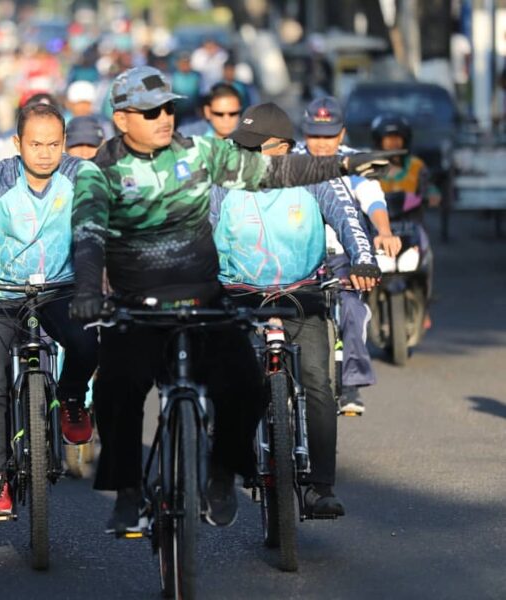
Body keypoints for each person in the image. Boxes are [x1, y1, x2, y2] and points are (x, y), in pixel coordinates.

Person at [68, 66, 394, 532]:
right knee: (118, 385)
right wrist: (88, 290)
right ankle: (129, 491)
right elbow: (89, 236)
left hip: (239, 298)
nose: (164, 118)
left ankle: (233, 478)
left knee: (264, 384)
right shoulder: (99, 171)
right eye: (151, 112)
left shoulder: (201, 153)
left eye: (168, 108)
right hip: (161, 300)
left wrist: (345, 172)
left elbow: (294, 181)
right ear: (121, 119)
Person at [210, 103, 380, 516]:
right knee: (233, 384)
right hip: (239, 294)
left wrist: (364, 261)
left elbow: (349, 219)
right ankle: (228, 469)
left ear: (284, 148)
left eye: (255, 148)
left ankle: (321, 487)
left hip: (302, 293)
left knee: (319, 381)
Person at [0, 103, 99, 518]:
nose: (45, 153)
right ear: (18, 143)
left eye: (53, 144)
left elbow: (98, 229)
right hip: (2, 293)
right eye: (35, 144)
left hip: (60, 290)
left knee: (88, 345)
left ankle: (71, 399)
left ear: (64, 143)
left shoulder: (82, 175)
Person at [299, 96, 402, 415]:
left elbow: (372, 199)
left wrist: (383, 231)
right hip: (298, 256)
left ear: (341, 134)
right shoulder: (290, 161)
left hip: (341, 256)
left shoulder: (353, 162)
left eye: (329, 135)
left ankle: (351, 384)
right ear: (304, 132)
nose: (321, 143)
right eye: (314, 135)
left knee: (352, 311)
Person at [371, 113, 436, 328]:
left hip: (411, 225)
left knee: (427, 260)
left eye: (397, 138)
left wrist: (432, 195)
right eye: (388, 138)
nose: (393, 143)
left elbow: (429, 188)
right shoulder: (369, 166)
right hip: (380, 228)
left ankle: (425, 306)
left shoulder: (417, 166)